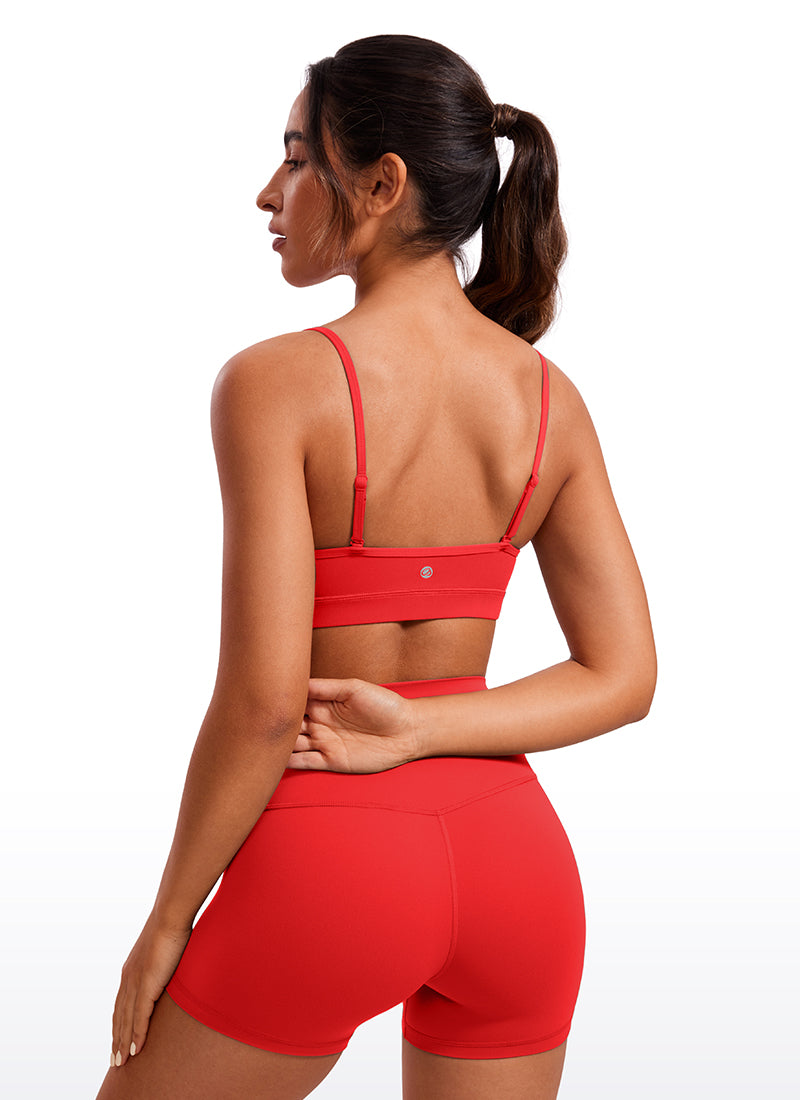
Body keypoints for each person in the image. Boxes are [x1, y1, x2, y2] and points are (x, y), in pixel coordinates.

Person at [96, 33, 656, 1100]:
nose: (269, 192)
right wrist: (428, 725)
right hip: (516, 868)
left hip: (333, 865)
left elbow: (265, 707)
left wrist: (168, 919)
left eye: (297, 158)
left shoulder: (276, 384)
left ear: (383, 184)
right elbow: (624, 676)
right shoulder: (550, 402)